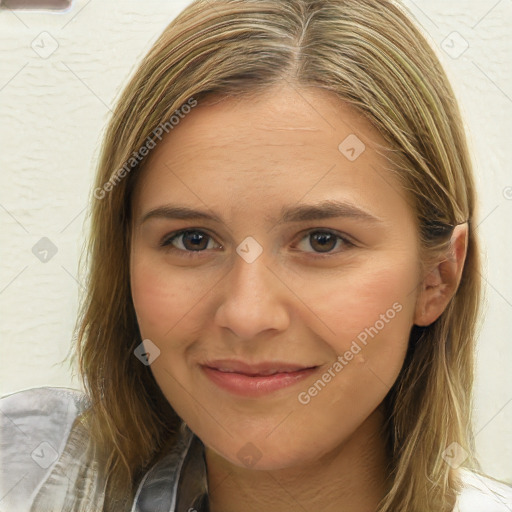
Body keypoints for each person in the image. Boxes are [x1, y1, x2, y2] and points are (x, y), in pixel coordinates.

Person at [1, 0, 511, 511]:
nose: (247, 315)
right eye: (193, 240)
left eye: (322, 241)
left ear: (438, 278)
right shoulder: (28, 479)